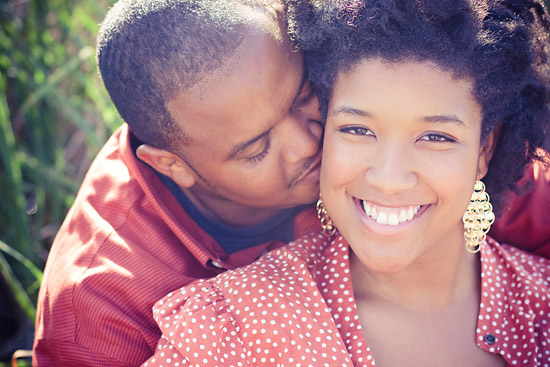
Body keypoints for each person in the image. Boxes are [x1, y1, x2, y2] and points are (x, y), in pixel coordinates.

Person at [33, 0, 550, 365]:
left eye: (306, 97)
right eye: (256, 148)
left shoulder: (438, 131)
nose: (308, 145)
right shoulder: (100, 302)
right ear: (174, 165)